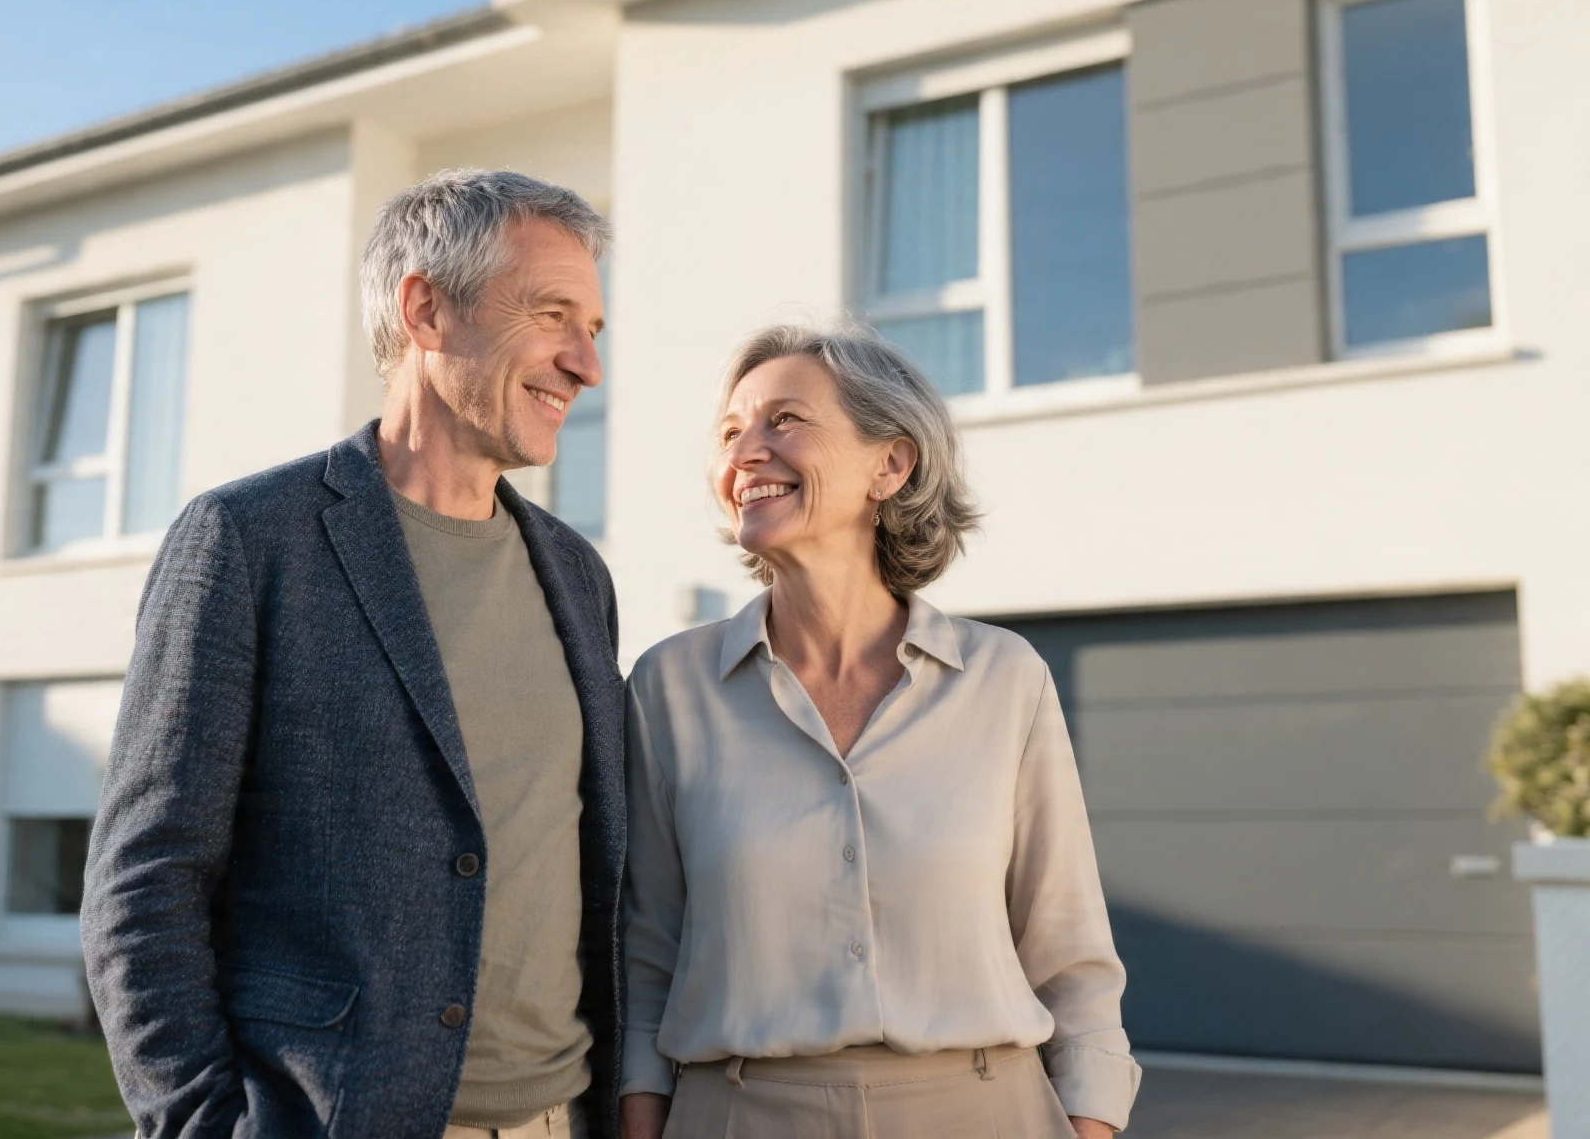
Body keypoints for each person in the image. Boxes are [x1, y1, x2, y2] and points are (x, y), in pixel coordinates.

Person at [81, 169, 625, 1139]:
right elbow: (146, 879)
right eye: (552, 316)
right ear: (426, 310)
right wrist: (202, 1124)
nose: (586, 364)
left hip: (561, 1118)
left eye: (592, 328)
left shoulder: (578, 574)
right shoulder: (249, 540)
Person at [619, 324, 1141, 1139]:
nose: (745, 453)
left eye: (784, 420)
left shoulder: (1004, 678)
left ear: (890, 465)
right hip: (738, 1115)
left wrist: (1090, 1124)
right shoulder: (669, 688)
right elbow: (646, 956)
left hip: (986, 1111)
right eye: (730, 432)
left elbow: (1069, 953)